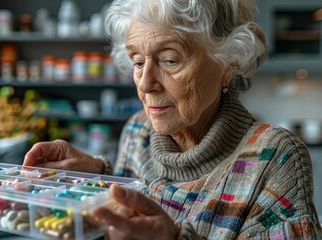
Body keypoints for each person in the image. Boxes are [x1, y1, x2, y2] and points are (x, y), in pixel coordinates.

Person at [23, 0, 322, 239]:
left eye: (170, 60)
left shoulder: (275, 159)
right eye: (138, 62)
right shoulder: (138, 130)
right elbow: (135, 205)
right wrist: (99, 176)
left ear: (229, 62)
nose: (145, 83)